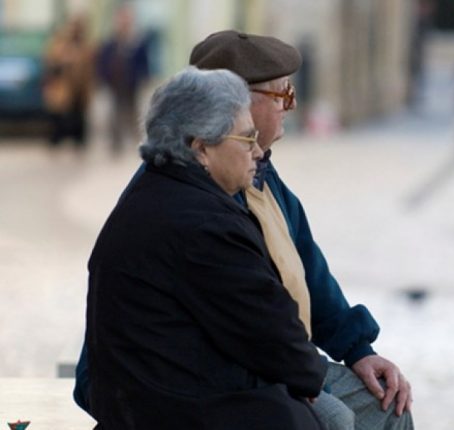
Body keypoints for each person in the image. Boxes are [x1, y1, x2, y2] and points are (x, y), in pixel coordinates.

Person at [75, 31, 413, 429]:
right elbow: (253, 322)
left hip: (264, 362)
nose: (291, 106)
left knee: (384, 407)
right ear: (232, 103)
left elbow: (307, 273)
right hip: (216, 379)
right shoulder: (190, 204)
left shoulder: (253, 175)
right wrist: (299, 379)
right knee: (334, 417)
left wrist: (357, 349)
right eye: (282, 94)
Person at [86, 66, 327, 428]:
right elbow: (273, 335)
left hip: (153, 404)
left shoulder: (157, 193)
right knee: (342, 414)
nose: (258, 151)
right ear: (201, 149)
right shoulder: (204, 225)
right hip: (183, 412)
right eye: (247, 138)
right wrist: (309, 375)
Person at [96, 4, 150, 155]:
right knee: (114, 113)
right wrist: (103, 78)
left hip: (131, 83)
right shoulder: (110, 42)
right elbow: (102, 61)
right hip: (114, 83)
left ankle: (135, 141)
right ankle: (116, 142)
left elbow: (143, 63)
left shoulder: (136, 42)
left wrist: (144, 78)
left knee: (132, 112)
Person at [42, 15, 93, 150]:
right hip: (62, 87)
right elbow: (51, 63)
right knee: (59, 116)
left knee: (78, 116)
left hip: (80, 88)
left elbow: (89, 68)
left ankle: (78, 141)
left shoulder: (85, 46)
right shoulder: (60, 44)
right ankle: (56, 140)